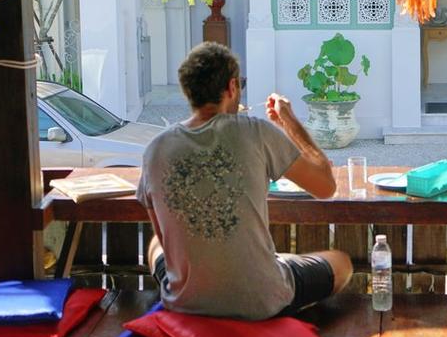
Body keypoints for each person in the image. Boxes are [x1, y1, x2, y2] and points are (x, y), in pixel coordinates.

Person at [137, 41, 352, 319]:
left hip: (185, 302)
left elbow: (165, 238)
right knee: (341, 262)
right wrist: (289, 121)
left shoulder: (156, 148)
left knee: (155, 243)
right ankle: (271, 273)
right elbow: (326, 186)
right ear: (232, 87)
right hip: (261, 299)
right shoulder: (255, 132)